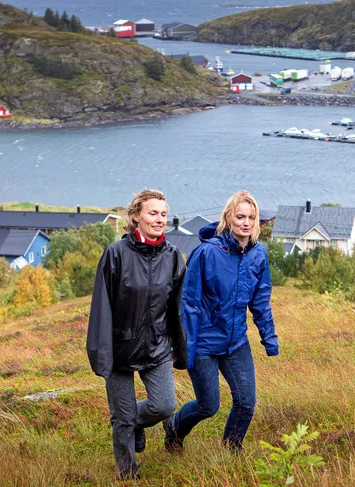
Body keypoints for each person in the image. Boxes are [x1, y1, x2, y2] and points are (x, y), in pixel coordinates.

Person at [164, 190, 279, 452]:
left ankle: (231, 449)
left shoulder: (258, 255)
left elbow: (260, 302)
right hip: (204, 342)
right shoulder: (205, 253)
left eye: (251, 217)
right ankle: (174, 428)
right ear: (228, 217)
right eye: (240, 216)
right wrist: (184, 347)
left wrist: (269, 339)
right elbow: (188, 303)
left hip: (236, 341)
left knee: (246, 402)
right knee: (208, 406)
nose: (246, 223)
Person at [87, 189, 187, 480]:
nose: (159, 220)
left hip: (156, 346)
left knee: (164, 405)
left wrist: (179, 349)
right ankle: (128, 472)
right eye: (152, 213)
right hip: (119, 348)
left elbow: (177, 309)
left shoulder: (172, 257)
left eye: (163, 214)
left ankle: (137, 424)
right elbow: (101, 308)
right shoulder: (115, 255)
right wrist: (101, 354)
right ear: (136, 217)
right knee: (122, 416)